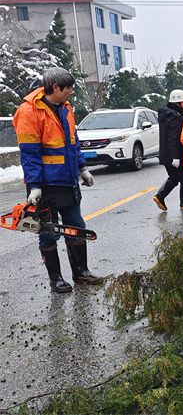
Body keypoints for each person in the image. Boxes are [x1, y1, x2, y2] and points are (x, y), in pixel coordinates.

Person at [12, 67, 102, 293]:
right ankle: (56, 279)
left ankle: (81, 272)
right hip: (45, 186)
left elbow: (73, 142)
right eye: (68, 88)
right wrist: (34, 185)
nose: (72, 92)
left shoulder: (66, 108)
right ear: (55, 87)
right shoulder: (29, 112)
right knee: (48, 232)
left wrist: (82, 169)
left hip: (68, 180)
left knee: (76, 226)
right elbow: (29, 153)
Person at [153, 89, 183, 211]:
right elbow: (173, 138)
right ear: (177, 103)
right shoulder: (174, 117)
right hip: (174, 154)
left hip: (167, 154)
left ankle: (162, 197)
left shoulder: (168, 115)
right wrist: (175, 157)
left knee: (174, 177)